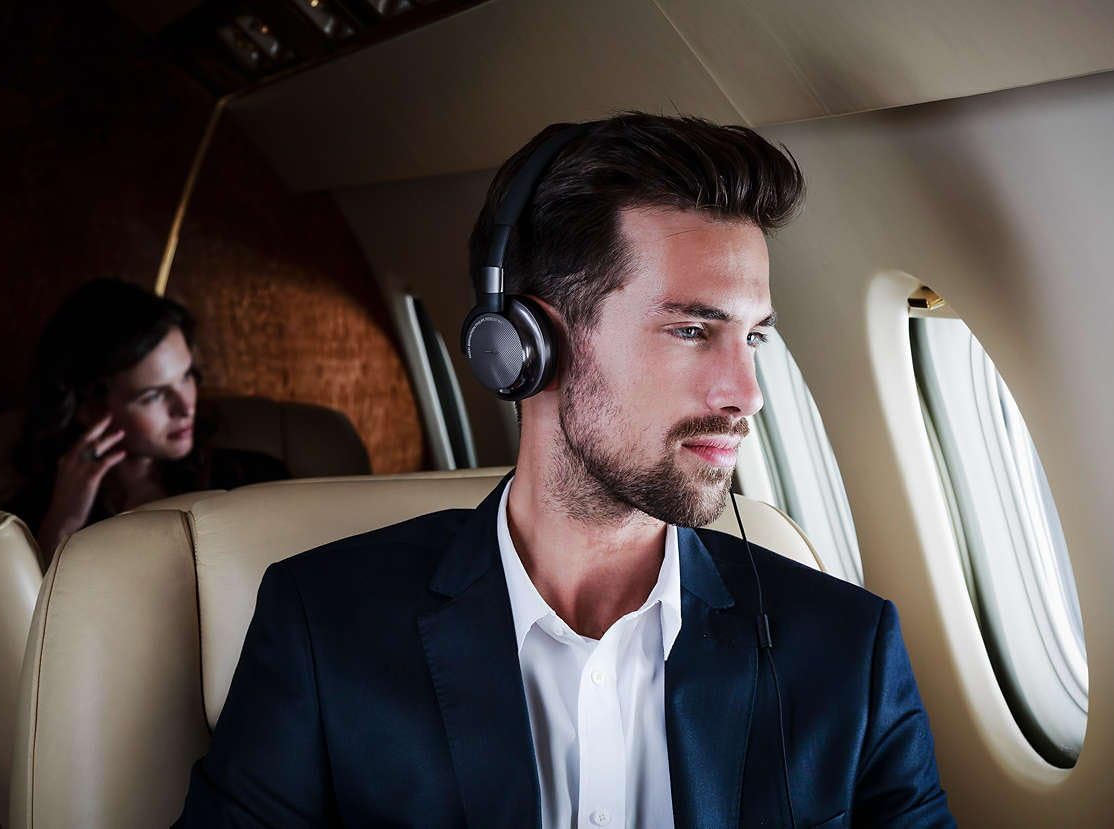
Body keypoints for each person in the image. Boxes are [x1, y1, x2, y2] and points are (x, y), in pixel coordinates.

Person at [177, 114, 955, 828]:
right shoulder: (325, 627)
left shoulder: (850, 649)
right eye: (691, 329)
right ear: (524, 346)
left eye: (752, 338)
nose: (745, 394)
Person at [9, 278, 289, 561]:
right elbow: (32, 604)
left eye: (186, 376)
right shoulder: (29, 518)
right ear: (89, 407)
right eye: (154, 396)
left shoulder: (255, 480)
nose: (185, 407)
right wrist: (63, 523)